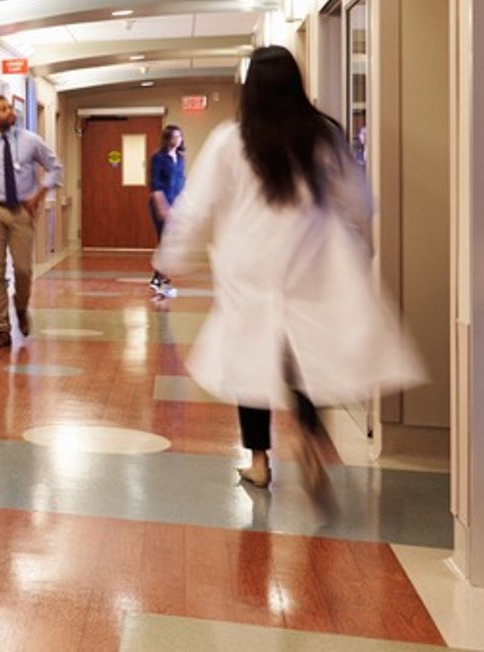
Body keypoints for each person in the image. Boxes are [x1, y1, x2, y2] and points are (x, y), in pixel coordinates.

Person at [153, 46, 422, 509]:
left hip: (249, 263)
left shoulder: (230, 139)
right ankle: (310, 434)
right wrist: (361, 245)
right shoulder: (323, 135)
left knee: (249, 363)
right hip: (309, 258)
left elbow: (196, 207)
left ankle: (259, 460)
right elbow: (358, 200)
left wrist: (170, 257)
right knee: (302, 356)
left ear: (249, 88)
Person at [0, 94, 62, 349]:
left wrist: (40, 193)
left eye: (8, 107)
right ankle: (2, 328)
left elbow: (55, 167)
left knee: (23, 270)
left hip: (22, 211)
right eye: (2, 109)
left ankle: (20, 307)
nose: (9, 112)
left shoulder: (31, 141)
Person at [147, 124, 186, 298]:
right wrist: (163, 207)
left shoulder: (180, 157)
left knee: (170, 243)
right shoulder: (158, 158)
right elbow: (155, 184)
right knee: (166, 242)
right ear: (167, 138)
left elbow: (181, 182)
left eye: (180, 137)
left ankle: (158, 278)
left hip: (176, 204)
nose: (177, 140)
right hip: (160, 204)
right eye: (174, 137)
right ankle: (160, 280)